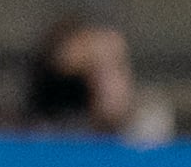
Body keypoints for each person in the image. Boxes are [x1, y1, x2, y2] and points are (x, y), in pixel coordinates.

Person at [23, 17, 176, 145]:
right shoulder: (42, 138)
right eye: (88, 70)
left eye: (117, 65)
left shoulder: (149, 121)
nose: (104, 82)